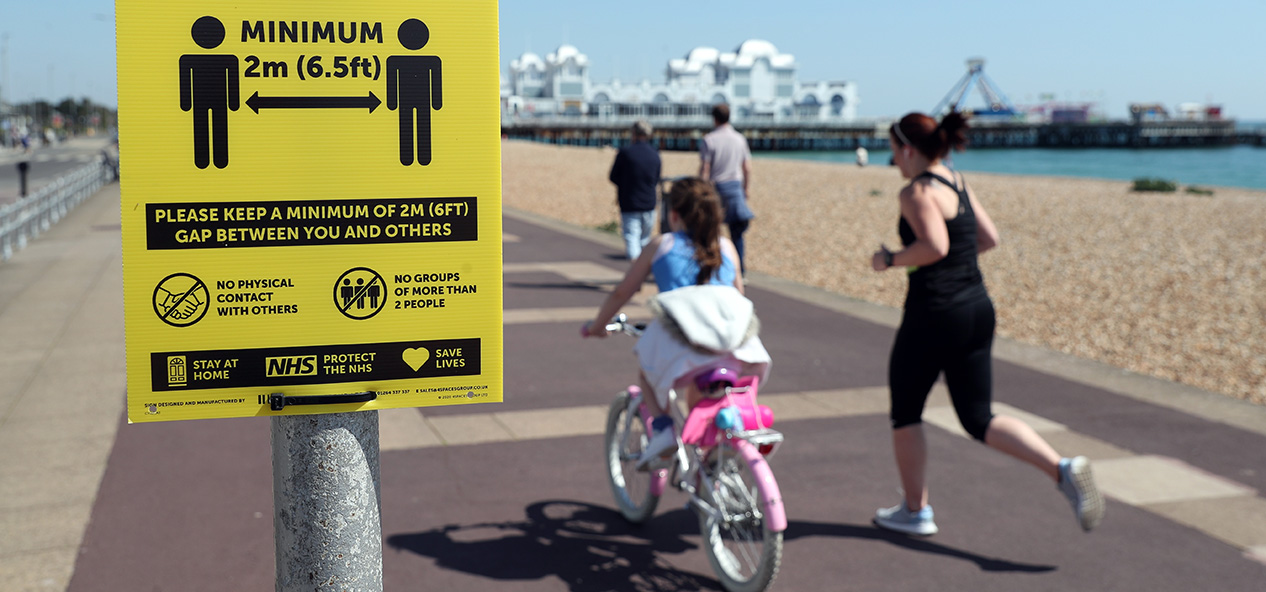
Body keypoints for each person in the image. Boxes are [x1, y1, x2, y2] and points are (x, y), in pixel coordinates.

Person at [869, 111, 1104, 536]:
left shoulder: (917, 190)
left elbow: (934, 246)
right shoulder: (956, 181)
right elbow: (988, 238)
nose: (894, 162)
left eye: (893, 151)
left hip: (933, 313)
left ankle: (915, 511)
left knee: (905, 412)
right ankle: (1061, 468)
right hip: (977, 307)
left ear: (907, 148)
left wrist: (889, 260)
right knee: (978, 416)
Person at [586, 177, 770, 467]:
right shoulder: (726, 246)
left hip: (683, 346)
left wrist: (597, 326)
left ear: (673, 214)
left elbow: (624, 291)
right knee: (711, 387)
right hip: (740, 352)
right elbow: (737, 296)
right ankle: (716, 456)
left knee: (647, 374)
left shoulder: (662, 244)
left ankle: (663, 431)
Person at [699, 104, 755, 275]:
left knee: (711, 231)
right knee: (737, 233)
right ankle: (739, 271)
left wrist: (701, 191)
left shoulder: (709, 139)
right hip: (735, 187)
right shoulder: (739, 139)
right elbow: (747, 167)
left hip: (716, 189)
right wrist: (746, 188)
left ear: (714, 118)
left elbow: (705, 169)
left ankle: (713, 268)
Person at [608, 120, 662, 260]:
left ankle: (636, 271)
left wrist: (625, 184)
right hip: (649, 203)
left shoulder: (625, 153)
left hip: (629, 202)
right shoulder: (654, 154)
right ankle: (642, 272)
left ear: (633, 133)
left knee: (631, 237)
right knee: (644, 240)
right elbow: (656, 178)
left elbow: (613, 176)